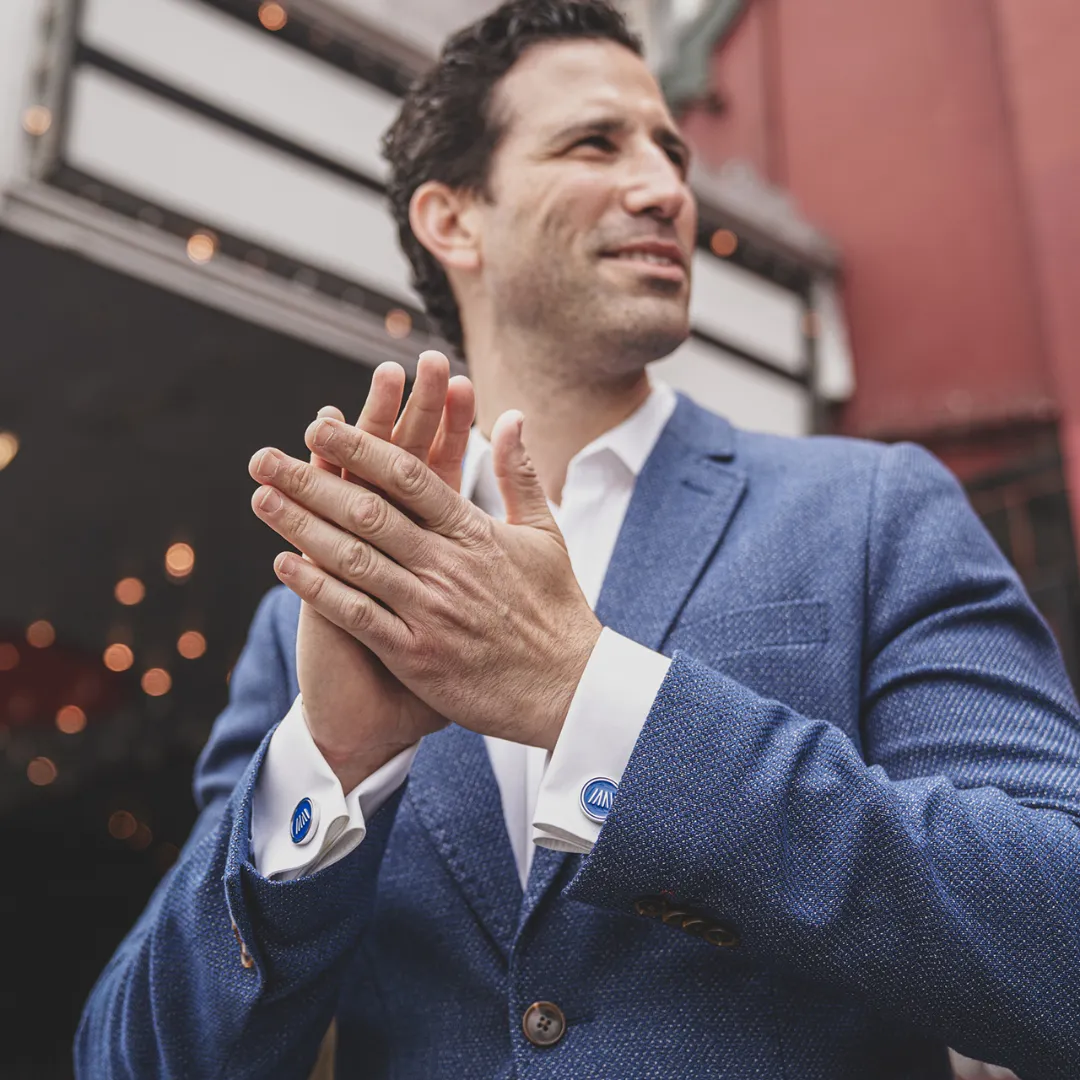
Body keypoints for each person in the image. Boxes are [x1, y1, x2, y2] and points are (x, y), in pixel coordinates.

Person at [77, 2, 1080, 1077]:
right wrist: (329, 766)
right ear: (453, 219)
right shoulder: (318, 610)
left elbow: (1058, 941)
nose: (665, 188)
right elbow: (132, 1060)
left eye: (672, 151)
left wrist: (595, 699)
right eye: (595, 143)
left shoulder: (876, 508)